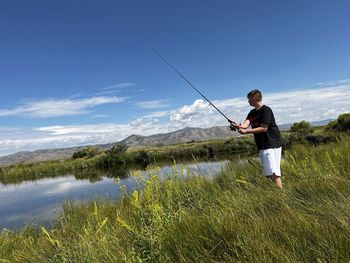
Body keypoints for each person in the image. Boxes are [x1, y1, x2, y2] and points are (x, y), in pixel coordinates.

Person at [231, 89, 283, 188]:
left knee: (274, 172)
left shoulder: (266, 110)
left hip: (271, 143)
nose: (248, 101)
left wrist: (245, 132)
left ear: (254, 98)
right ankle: (274, 192)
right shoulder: (252, 112)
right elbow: (245, 125)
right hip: (262, 145)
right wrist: (238, 125)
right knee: (268, 172)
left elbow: (264, 128)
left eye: (249, 99)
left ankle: (281, 194)